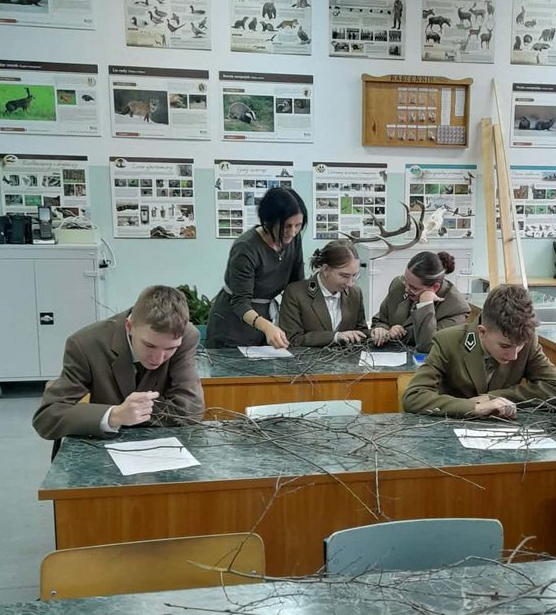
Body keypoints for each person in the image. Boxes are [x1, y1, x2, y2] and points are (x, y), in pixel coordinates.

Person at [33, 285, 204, 440]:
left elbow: (191, 410)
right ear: (129, 326)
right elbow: (47, 417)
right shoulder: (86, 344)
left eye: (171, 348)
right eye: (149, 345)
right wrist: (113, 415)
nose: (158, 359)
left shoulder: (187, 336)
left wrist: (131, 413)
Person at [402, 283, 556, 418]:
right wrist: (474, 407)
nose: (514, 355)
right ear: (482, 332)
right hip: (452, 432)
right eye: (505, 346)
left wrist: (494, 398)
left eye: (520, 346)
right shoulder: (448, 341)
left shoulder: (527, 340)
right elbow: (414, 397)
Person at [205, 187, 307, 349]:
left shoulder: (294, 240)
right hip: (232, 324)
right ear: (269, 221)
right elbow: (240, 302)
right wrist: (267, 327)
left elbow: (296, 286)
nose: (293, 232)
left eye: (298, 225)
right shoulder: (246, 248)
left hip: (265, 321)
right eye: (287, 226)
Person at [370, 250, 471, 354]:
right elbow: (380, 320)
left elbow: (429, 346)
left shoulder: (456, 308)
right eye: (405, 281)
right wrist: (382, 330)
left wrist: (425, 304)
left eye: (413, 288)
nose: (406, 289)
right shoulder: (399, 285)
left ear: (435, 287)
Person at [278, 241, 369, 347]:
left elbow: (361, 332)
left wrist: (375, 332)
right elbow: (293, 339)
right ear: (325, 270)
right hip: (308, 357)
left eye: (354, 276)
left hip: (347, 357)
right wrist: (335, 337)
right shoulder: (295, 293)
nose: (350, 283)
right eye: (344, 276)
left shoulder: (355, 293)